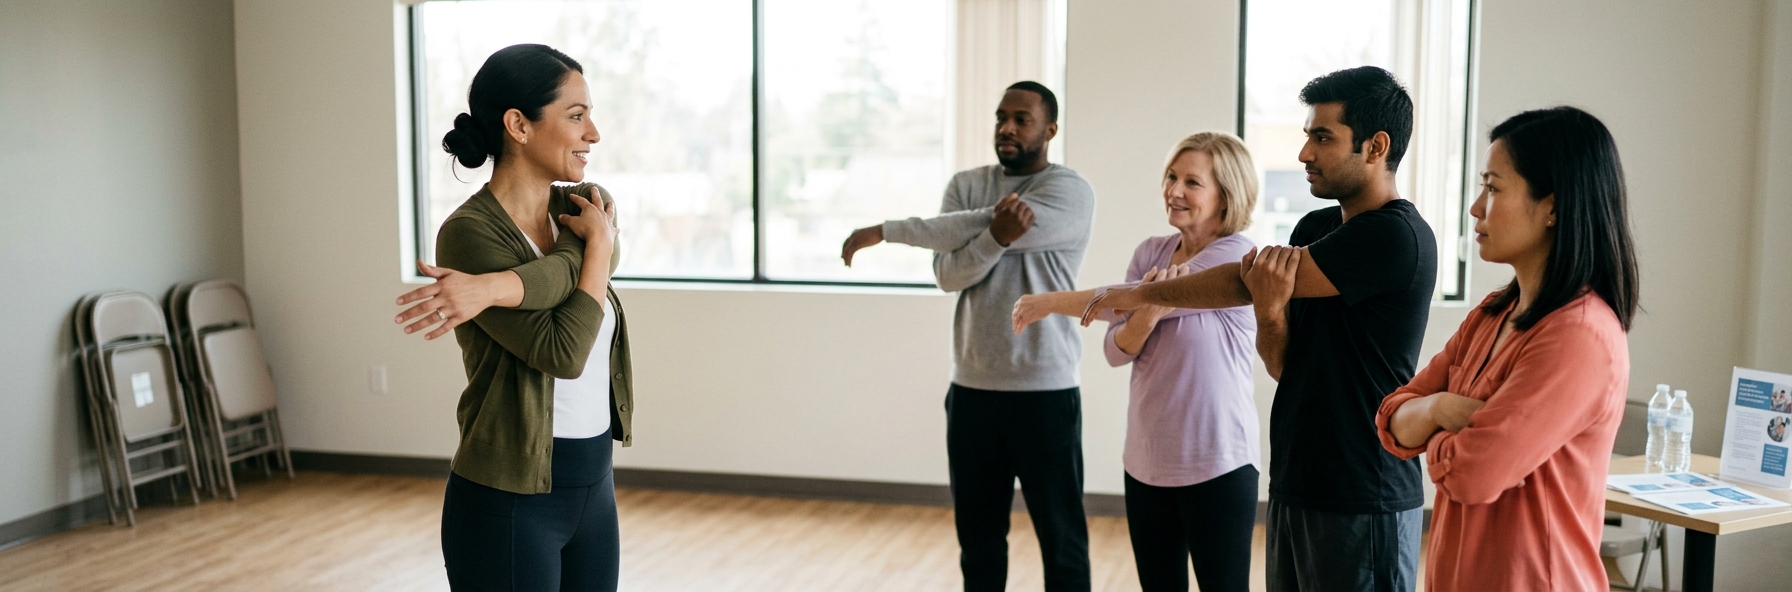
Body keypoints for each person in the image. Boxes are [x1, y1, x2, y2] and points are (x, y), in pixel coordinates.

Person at [1077, 66, 1433, 591]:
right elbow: (1283, 362)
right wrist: (1269, 312)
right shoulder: (1314, 229)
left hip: (1365, 490)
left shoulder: (1394, 236)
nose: (1304, 153)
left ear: (1375, 146)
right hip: (1295, 483)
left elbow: (1237, 283)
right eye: (1306, 135)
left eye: (1322, 137)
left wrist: (1137, 294)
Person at [389, 44, 634, 592]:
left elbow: (597, 256)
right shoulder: (469, 234)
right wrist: (594, 247)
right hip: (509, 501)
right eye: (576, 116)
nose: (593, 133)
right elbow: (563, 352)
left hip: (594, 488)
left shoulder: (587, 204)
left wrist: (501, 286)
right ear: (519, 125)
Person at [839, 81, 1096, 592]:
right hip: (972, 393)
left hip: (1045, 392)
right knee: (978, 541)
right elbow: (950, 275)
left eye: (1022, 119)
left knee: (1062, 540)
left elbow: (963, 229)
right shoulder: (966, 182)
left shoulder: (1069, 191)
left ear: (1050, 129)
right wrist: (999, 236)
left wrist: (890, 230)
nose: (1007, 127)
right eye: (1001, 116)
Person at [1376, 106, 1639, 591]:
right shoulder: (1491, 314)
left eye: (1494, 188)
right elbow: (1392, 419)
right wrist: (1446, 407)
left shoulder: (1579, 336)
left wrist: (1432, 426)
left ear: (1553, 208)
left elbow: (1474, 475)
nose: (1476, 207)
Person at [1011, 132, 1262, 592]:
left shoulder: (1237, 258)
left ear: (1227, 194)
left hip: (1218, 462)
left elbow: (1123, 304)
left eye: (1192, 182)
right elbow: (1114, 351)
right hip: (1146, 463)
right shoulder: (1151, 252)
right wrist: (1149, 308)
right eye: (1171, 177)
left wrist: (1050, 302)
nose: (1174, 191)